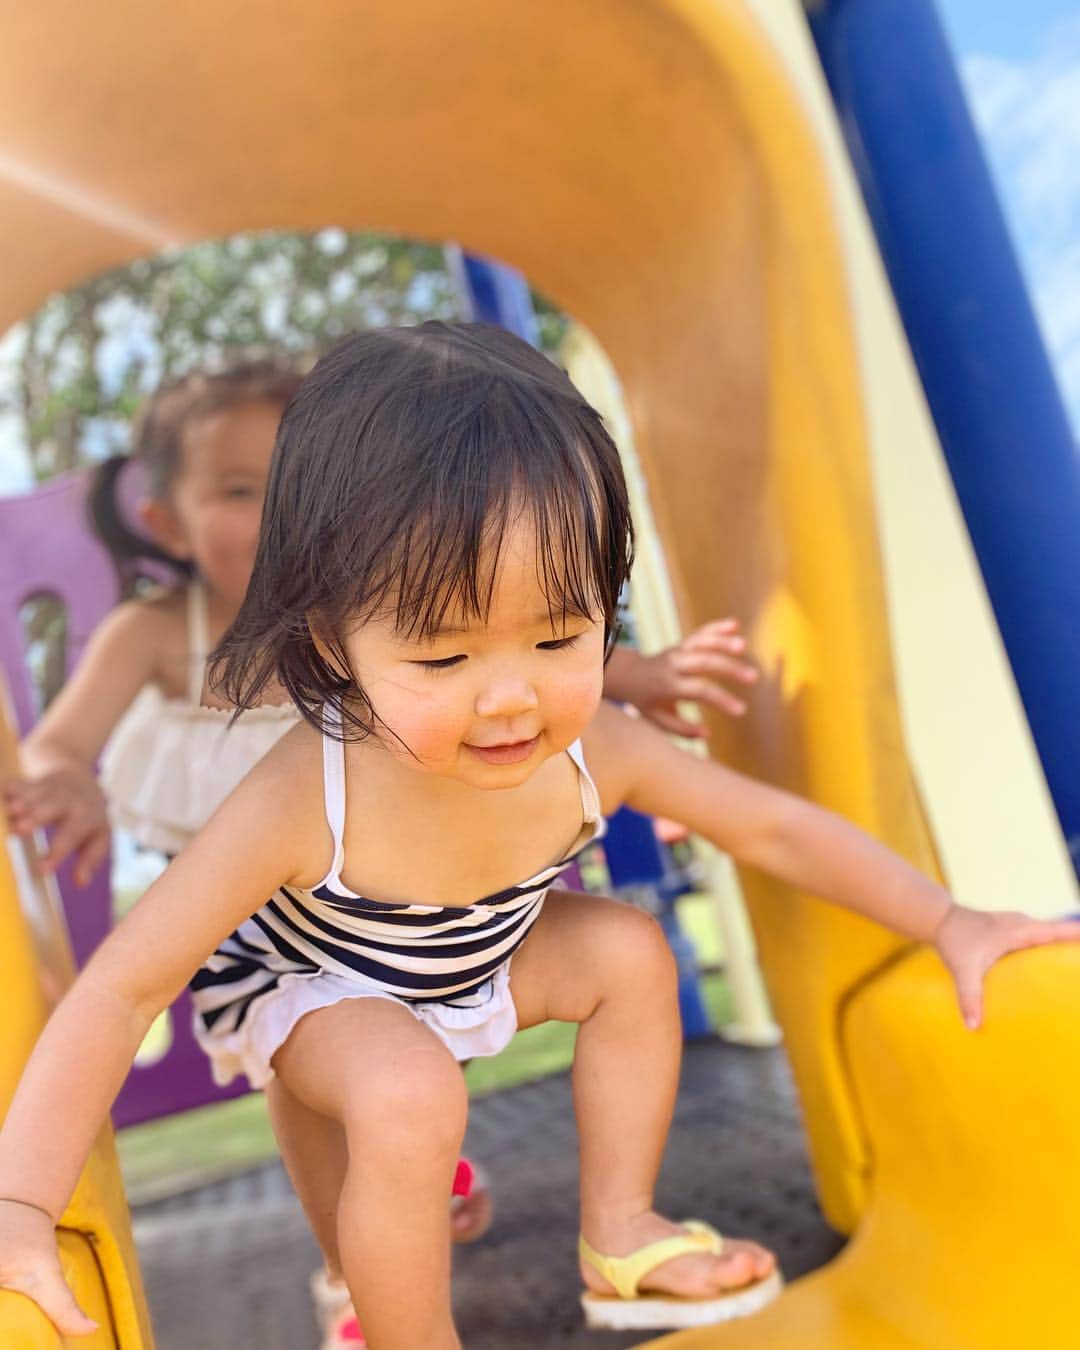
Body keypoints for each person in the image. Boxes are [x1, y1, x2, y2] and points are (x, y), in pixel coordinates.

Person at [5, 322, 1071, 1349]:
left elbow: (775, 829)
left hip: (474, 953)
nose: (509, 699)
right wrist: (20, 1203)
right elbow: (123, 988)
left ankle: (621, 1235)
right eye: (442, 660)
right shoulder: (301, 793)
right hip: (317, 982)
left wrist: (950, 918)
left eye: (559, 635)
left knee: (626, 953)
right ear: (333, 641)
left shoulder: (592, 747)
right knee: (406, 1092)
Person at [0, 348, 758, 1347]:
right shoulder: (157, 633)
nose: (278, 511)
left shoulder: (409, 603)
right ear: (166, 523)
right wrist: (63, 774)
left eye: (294, 482)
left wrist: (636, 674)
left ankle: (411, 1176)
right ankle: (349, 1267)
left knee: (415, 1081)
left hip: (390, 871)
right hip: (259, 909)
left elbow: (514, 628)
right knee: (353, 1078)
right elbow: (67, 748)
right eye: (239, 491)